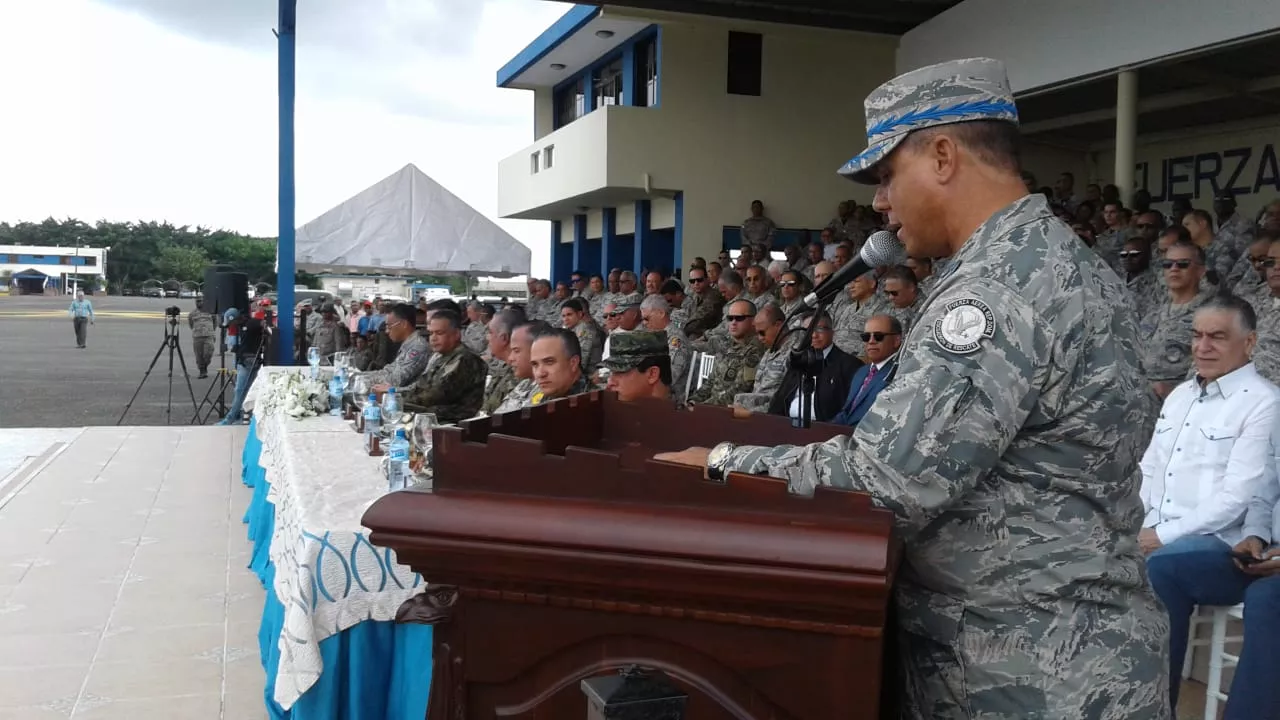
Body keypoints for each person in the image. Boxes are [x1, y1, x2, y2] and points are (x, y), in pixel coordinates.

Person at [656, 57, 1168, 718]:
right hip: (1069, 651)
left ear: (944, 156)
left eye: (886, 174)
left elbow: (888, 483)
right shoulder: (1063, 262)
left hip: (1025, 670)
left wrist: (726, 464)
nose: (878, 202)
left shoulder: (995, 292)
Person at [1139, 294, 1280, 716]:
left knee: (1162, 566)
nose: (1203, 347)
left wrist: (1156, 538)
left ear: (1250, 343)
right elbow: (1150, 471)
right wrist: (1131, 527)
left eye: (1217, 337)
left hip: (1216, 542)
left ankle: (1150, 707)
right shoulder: (1180, 395)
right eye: (1197, 336)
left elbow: (1242, 494)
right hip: (1183, 535)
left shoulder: (1263, 402)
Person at [402, 310, 488, 424]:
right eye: (431, 333)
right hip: (433, 418)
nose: (433, 338)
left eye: (439, 333)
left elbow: (434, 395)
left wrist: (397, 400)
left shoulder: (465, 360)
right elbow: (420, 386)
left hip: (455, 425)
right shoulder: (442, 357)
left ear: (456, 334)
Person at [362, 303, 431, 392]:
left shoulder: (418, 347)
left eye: (389, 326)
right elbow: (388, 370)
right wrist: (359, 376)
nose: (387, 331)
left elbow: (396, 380)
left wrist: (363, 382)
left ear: (403, 324)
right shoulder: (408, 345)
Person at [603, 330, 674, 403]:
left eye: (620, 371)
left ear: (652, 374)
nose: (610, 383)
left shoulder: (674, 414)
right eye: (611, 372)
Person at [188, 302, 217, 379]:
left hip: (209, 335)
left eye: (201, 301)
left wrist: (211, 331)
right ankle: (202, 371)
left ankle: (205, 366)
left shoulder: (211, 312)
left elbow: (215, 323)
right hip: (197, 336)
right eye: (197, 301)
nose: (199, 303)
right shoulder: (192, 313)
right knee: (199, 355)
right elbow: (191, 324)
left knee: (208, 353)